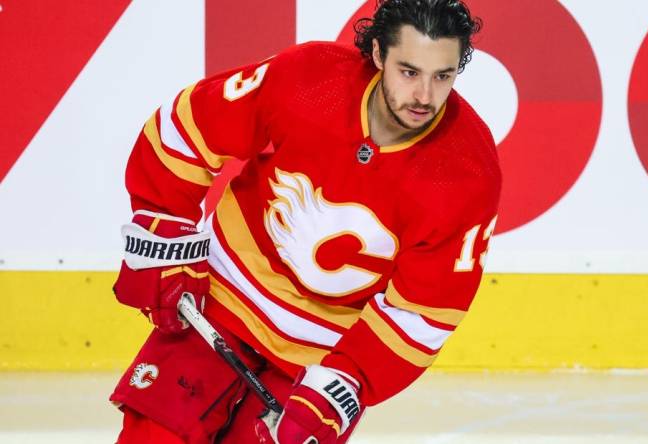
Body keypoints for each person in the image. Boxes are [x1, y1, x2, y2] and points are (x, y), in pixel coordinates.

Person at [110, 0, 501, 442]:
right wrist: (163, 225)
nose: (425, 96)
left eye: (442, 76)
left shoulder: (468, 174)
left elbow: (423, 312)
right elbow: (186, 129)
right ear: (377, 55)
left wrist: (347, 381)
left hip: (319, 357)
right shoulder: (310, 78)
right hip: (218, 301)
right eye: (409, 72)